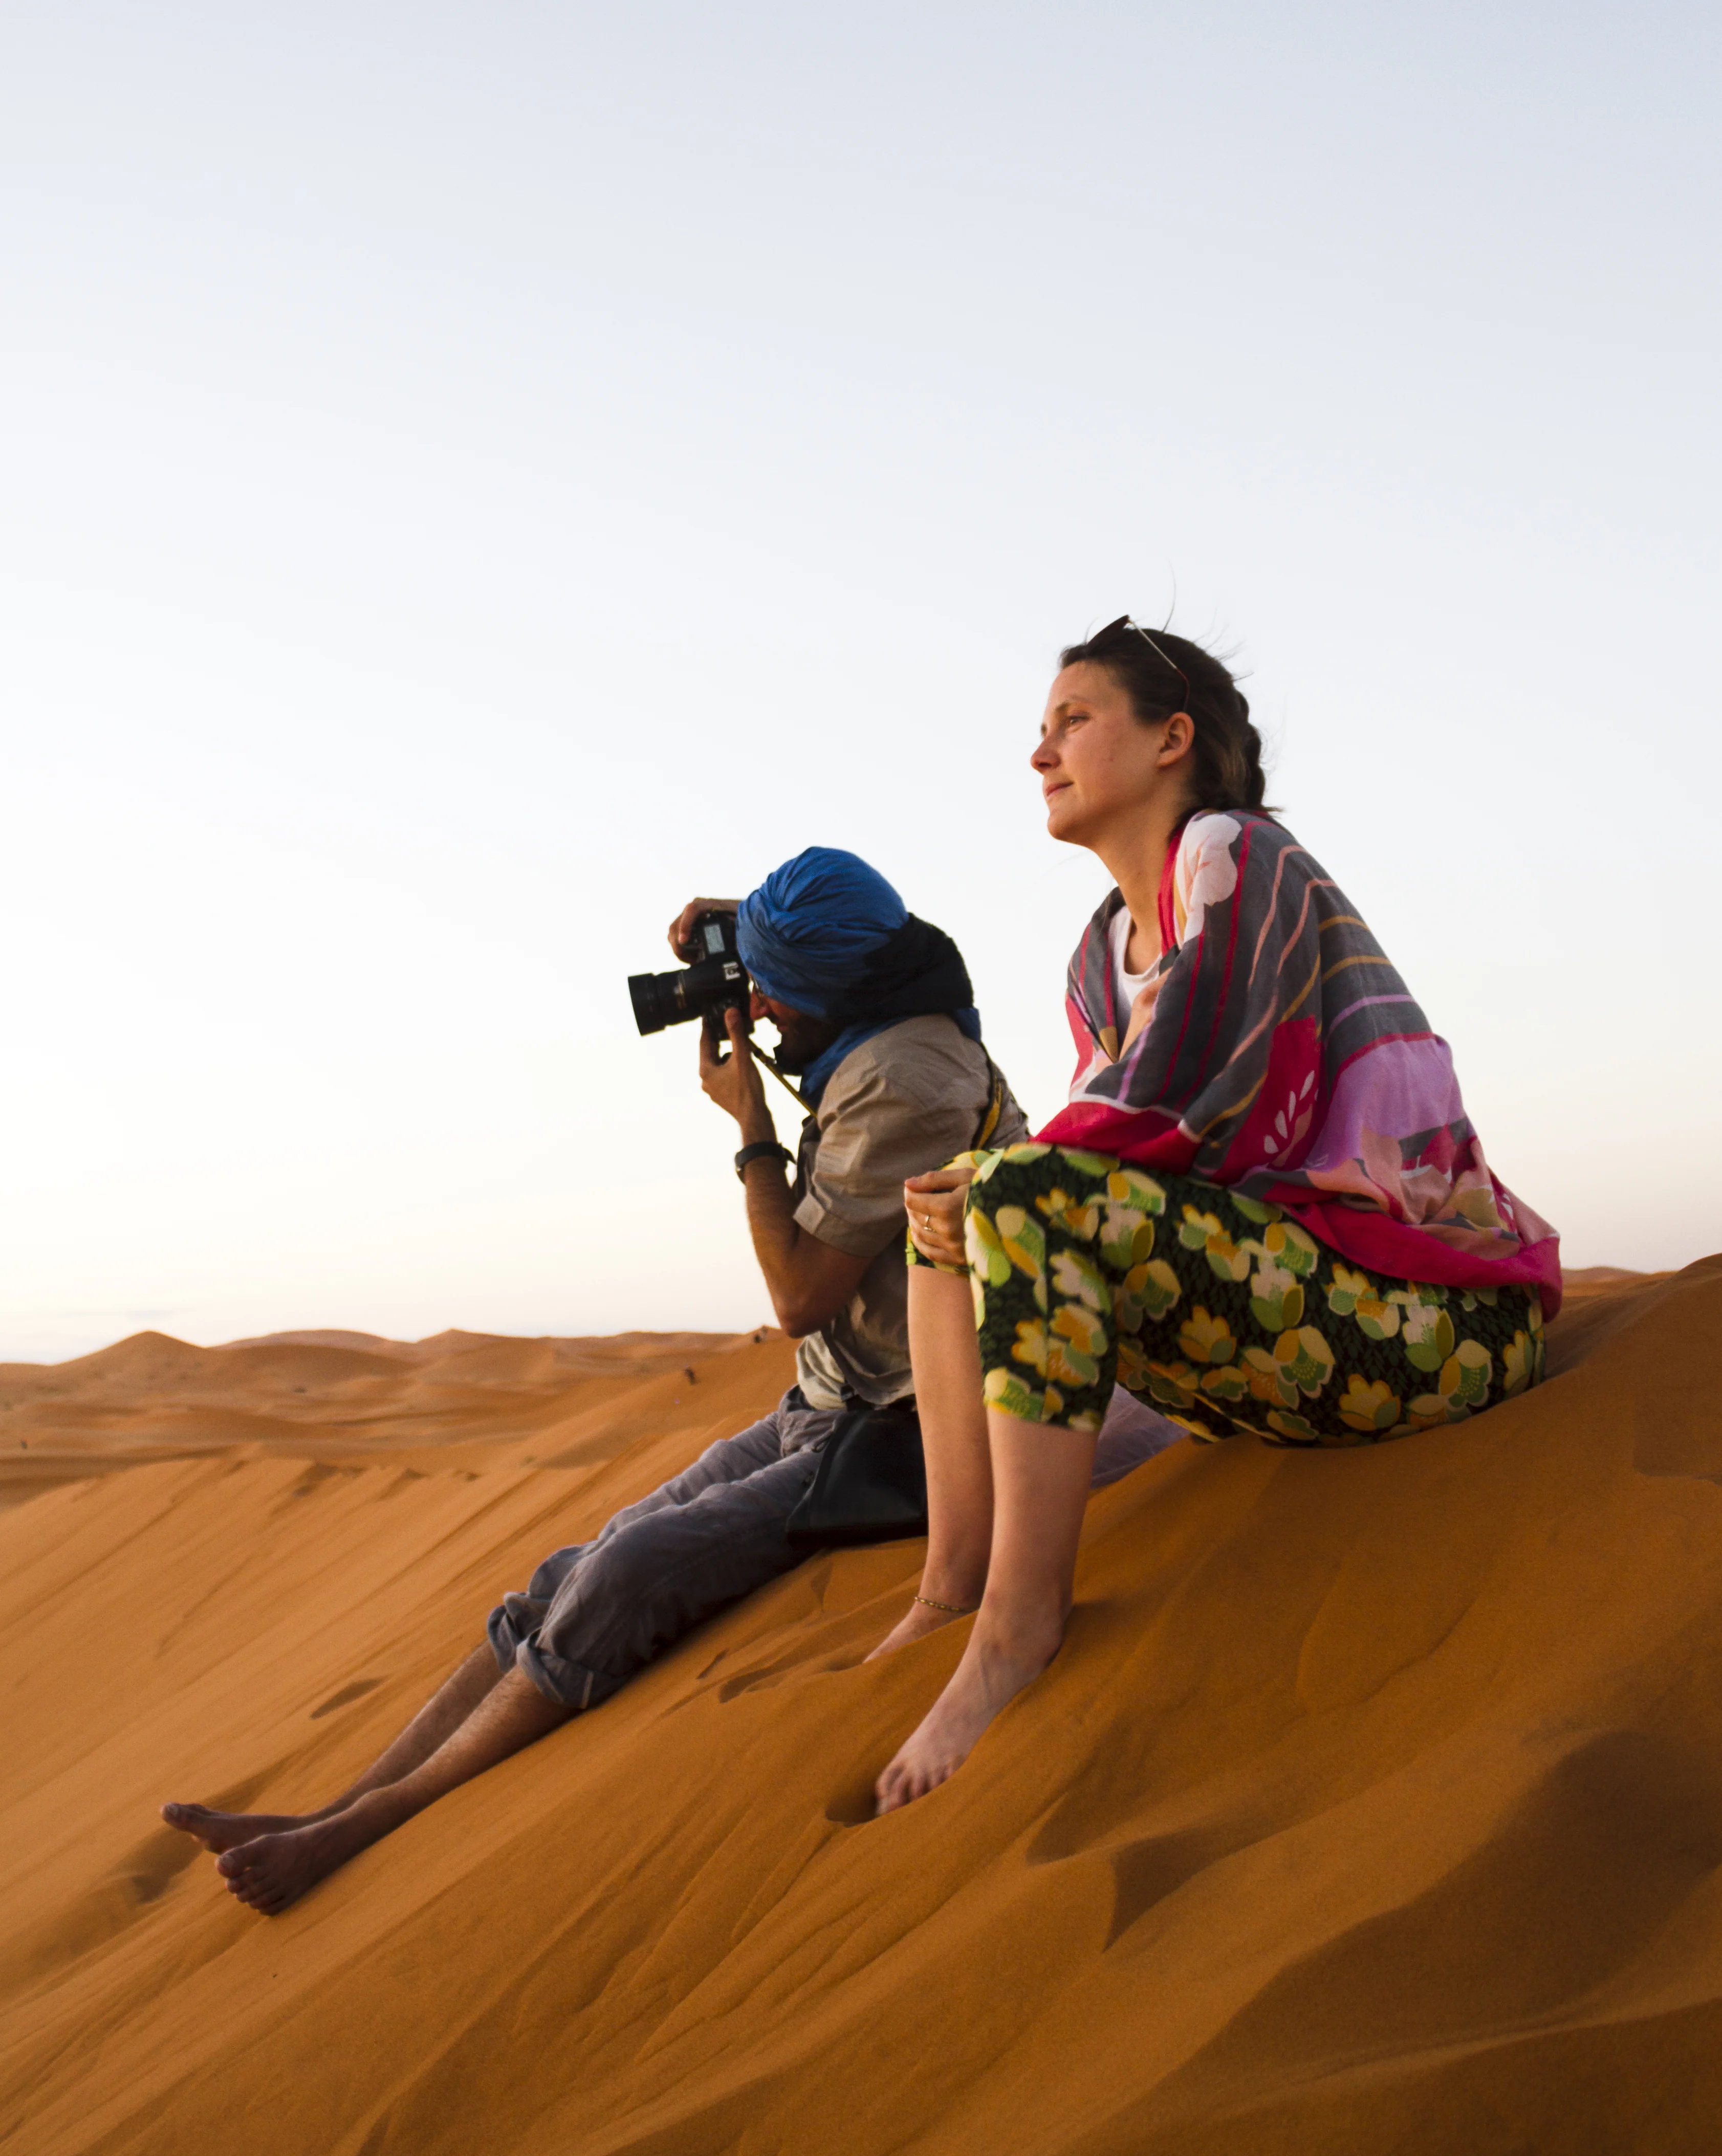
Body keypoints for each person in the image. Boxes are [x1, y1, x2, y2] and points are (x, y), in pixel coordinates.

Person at [164, 847, 1047, 1913]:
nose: (756, 1007)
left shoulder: (906, 1075)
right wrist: (734, 920)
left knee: (629, 1570)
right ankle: (332, 1803)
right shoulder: (895, 975)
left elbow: (800, 1294)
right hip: (830, 1396)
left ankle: (368, 1826)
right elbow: (857, 937)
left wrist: (750, 1131)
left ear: (831, 990)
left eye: (771, 988)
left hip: (906, 1426)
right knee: (565, 1569)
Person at [870, 618, 1562, 1814]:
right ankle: (950, 1584)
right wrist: (976, 1193)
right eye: (1040, 730)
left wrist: (1002, 1180)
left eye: (1072, 721)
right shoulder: (1099, 955)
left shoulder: (1236, 856)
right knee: (949, 1215)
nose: (1040, 752)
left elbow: (1190, 1094)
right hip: (1293, 1322)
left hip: (1432, 1318)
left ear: (1169, 738)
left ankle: (1016, 1627)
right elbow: (1115, 1144)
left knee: (1010, 1189)